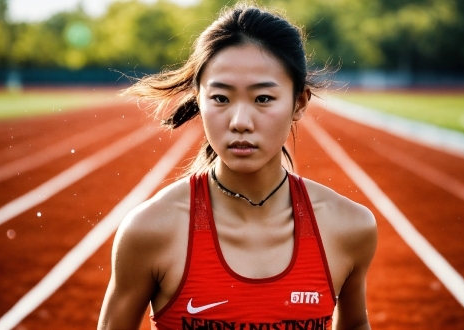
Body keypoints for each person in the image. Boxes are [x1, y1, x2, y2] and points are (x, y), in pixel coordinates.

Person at [98, 3, 377, 330]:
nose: (240, 122)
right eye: (220, 98)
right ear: (198, 99)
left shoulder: (348, 227)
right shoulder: (150, 230)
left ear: (299, 102)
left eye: (263, 99)